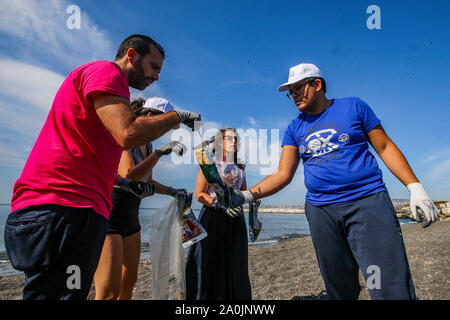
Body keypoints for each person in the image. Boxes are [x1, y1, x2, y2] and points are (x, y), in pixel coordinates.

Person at [4, 34, 201, 300]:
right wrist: (177, 117)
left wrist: (127, 184)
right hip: (61, 208)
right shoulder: (107, 72)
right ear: (132, 56)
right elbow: (128, 133)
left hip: (77, 210)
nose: (156, 77)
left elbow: (99, 164)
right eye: (154, 67)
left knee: (74, 293)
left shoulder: (109, 109)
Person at [224, 63, 440, 300]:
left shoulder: (353, 107)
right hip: (321, 211)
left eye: (298, 88)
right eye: (291, 92)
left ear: (317, 84)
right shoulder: (295, 127)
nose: (293, 95)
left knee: (389, 284)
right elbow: (283, 174)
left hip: (367, 203)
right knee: (339, 288)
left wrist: (414, 186)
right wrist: (246, 195)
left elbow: (385, 147)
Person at [94, 97, 188, 300]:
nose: (164, 131)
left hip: (131, 219)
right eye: (163, 124)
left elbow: (148, 182)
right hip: (110, 217)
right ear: (150, 117)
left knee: (129, 281)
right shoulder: (125, 139)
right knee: (108, 290)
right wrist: (159, 154)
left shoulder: (149, 145)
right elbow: (129, 175)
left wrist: (173, 191)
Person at [185, 128, 252, 300]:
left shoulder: (240, 167)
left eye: (236, 139)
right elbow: (200, 194)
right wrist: (219, 204)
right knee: (208, 264)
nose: (234, 142)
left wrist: (252, 213)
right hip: (212, 218)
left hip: (236, 219)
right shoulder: (209, 164)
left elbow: (244, 194)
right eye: (229, 138)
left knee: (235, 263)